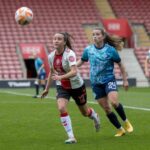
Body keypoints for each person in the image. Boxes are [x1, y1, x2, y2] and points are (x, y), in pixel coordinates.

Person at [41, 32, 100, 144]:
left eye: (59, 39)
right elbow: (52, 73)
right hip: (62, 86)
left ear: (64, 42)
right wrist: (47, 88)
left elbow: (74, 71)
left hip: (77, 86)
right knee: (61, 108)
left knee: (84, 112)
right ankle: (71, 137)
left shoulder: (70, 54)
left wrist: (60, 77)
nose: (56, 41)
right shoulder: (51, 56)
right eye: (54, 39)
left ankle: (94, 115)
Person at [77, 27, 133, 137]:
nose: (95, 36)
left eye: (97, 34)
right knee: (107, 109)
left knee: (114, 102)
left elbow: (121, 65)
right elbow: (82, 61)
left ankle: (126, 121)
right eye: (93, 34)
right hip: (95, 83)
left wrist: (125, 80)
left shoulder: (110, 50)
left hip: (109, 80)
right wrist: (72, 67)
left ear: (103, 36)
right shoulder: (88, 50)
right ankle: (120, 129)